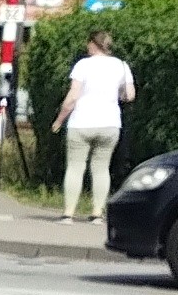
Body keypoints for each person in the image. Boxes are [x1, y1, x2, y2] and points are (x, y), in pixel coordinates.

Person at [57, 28, 136, 218]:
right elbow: (130, 95)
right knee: (101, 168)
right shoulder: (121, 66)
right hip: (110, 123)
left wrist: (60, 119)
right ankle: (97, 212)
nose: (87, 46)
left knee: (75, 168)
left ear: (93, 44)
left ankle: (68, 213)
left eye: (88, 43)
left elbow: (72, 97)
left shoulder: (83, 65)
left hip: (81, 122)